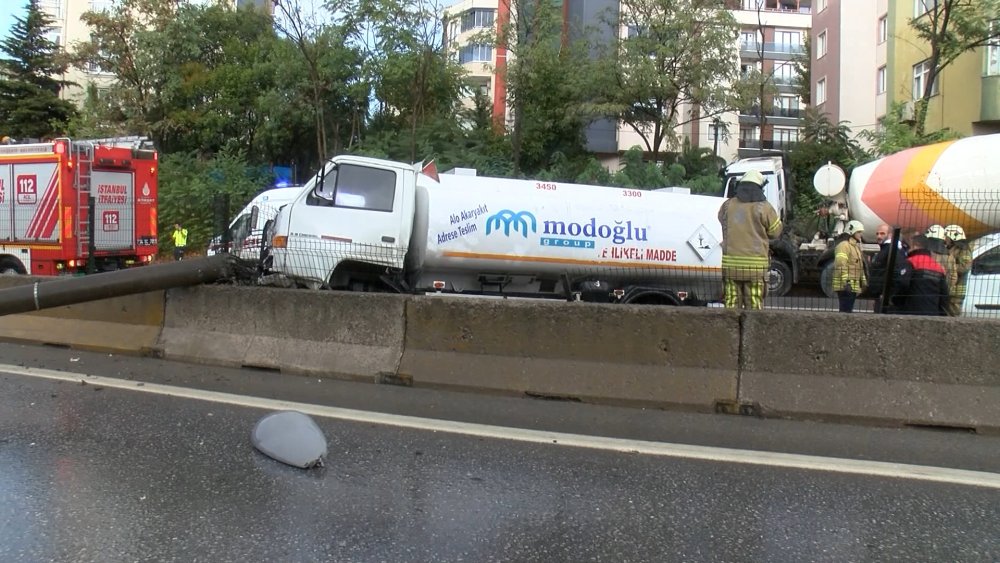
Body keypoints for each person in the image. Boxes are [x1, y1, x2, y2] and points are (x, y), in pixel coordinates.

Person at [718, 170, 782, 310]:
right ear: (759, 187)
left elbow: (722, 222)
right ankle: (751, 331)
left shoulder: (727, 205)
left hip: (731, 268)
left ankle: (731, 331)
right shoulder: (764, 208)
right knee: (754, 307)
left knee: (731, 306)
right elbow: (776, 232)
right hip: (755, 268)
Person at [891, 234, 949, 315]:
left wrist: (895, 301)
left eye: (909, 246)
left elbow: (902, 284)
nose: (907, 249)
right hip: (933, 312)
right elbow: (944, 294)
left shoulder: (910, 262)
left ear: (915, 246)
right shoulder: (938, 266)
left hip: (911, 311)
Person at [863, 223, 907, 312]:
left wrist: (888, 295)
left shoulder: (892, 250)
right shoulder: (886, 249)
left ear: (890, 235)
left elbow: (898, 274)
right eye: (877, 233)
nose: (879, 236)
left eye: (882, 233)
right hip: (880, 296)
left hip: (885, 298)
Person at [832, 220, 867, 312]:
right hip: (846, 286)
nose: (861, 234)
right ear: (852, 232)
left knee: (848, 310)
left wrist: (863, 282)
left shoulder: (855, 247)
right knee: (845, 311)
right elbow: (840, 264)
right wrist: (846, 282)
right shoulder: (844, 246)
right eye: (859, 232)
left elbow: (859, 266)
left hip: (852, 285)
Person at [944, 224, 973, 316]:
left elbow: (965, 267)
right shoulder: (952, 248)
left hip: (957, 289)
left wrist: (949, 267)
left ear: (953, 237)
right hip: (950, 287)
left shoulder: (963, 249)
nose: (945, 239)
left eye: (947, 236)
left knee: (953, 314)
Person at [925, 224, 957, 293]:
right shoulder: (950, 256)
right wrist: (946, 290)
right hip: (942, 292)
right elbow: (953, 277)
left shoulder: (927, 254)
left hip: (927, 291)